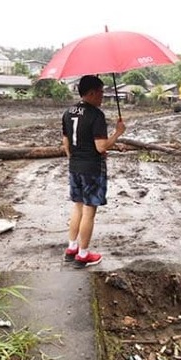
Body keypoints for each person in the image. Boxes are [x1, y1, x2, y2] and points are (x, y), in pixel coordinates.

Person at [62, 75, 126, 268]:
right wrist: (118, 132)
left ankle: (72, 247)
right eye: (100, 92)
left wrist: (74, 158)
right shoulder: (96, 115)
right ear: (91, 92)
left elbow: (66, 142)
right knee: (89, 211)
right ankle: (83, 254)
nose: (102, 96)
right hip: (91, 169)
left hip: (75, 166)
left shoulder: (68, 112)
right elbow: (100, 146)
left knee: (78, 207)